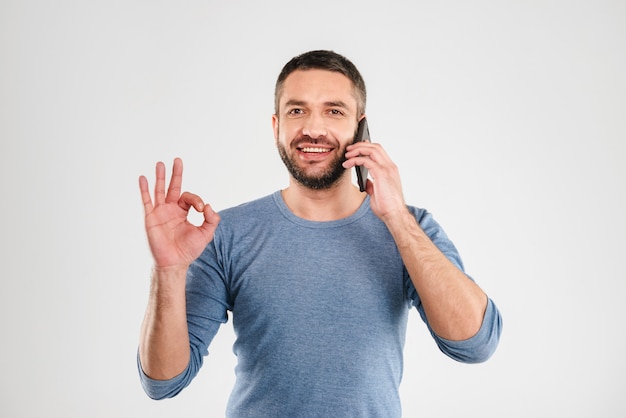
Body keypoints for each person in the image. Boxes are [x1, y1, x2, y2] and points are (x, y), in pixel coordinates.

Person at [137, 50, 502, 417]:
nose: (313, 128)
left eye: (334, 111)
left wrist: (396, 218)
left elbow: (476, 345)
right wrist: (168, 272)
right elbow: (163, 382)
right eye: (297, 111)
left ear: (360, 127)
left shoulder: (412, 228)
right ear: (276, 125)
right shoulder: (226, 232)